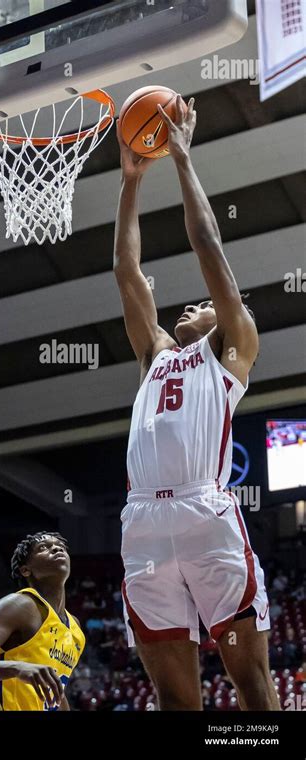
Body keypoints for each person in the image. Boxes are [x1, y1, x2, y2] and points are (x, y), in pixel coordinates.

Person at [114, 95, 279, 711]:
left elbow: (208, 243)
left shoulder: (233, 347)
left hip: (206, 516)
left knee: (251, 683)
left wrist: (182, 158)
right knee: (174, 701)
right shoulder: (154, 353)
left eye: (202, 306)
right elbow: (126, 272)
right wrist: (130, 182)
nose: (190, 306)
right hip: (142, 526)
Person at [0, 532, 85, 711]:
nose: (56, 548)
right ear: (26, 570)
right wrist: (17, 668)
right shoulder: (20, 606)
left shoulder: (75, 629)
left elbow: (57, 692)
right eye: (43, 548)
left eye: (61, 547)